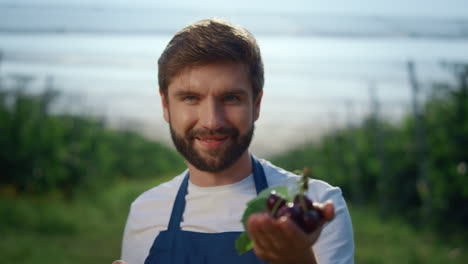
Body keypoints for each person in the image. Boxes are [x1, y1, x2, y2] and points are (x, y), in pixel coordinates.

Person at [113, 18, 354, 264]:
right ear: (166, 106)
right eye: (190, 98)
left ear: (256, 104)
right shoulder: (145, 212)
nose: (211, 122)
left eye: (230, 98)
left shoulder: (313, 207)